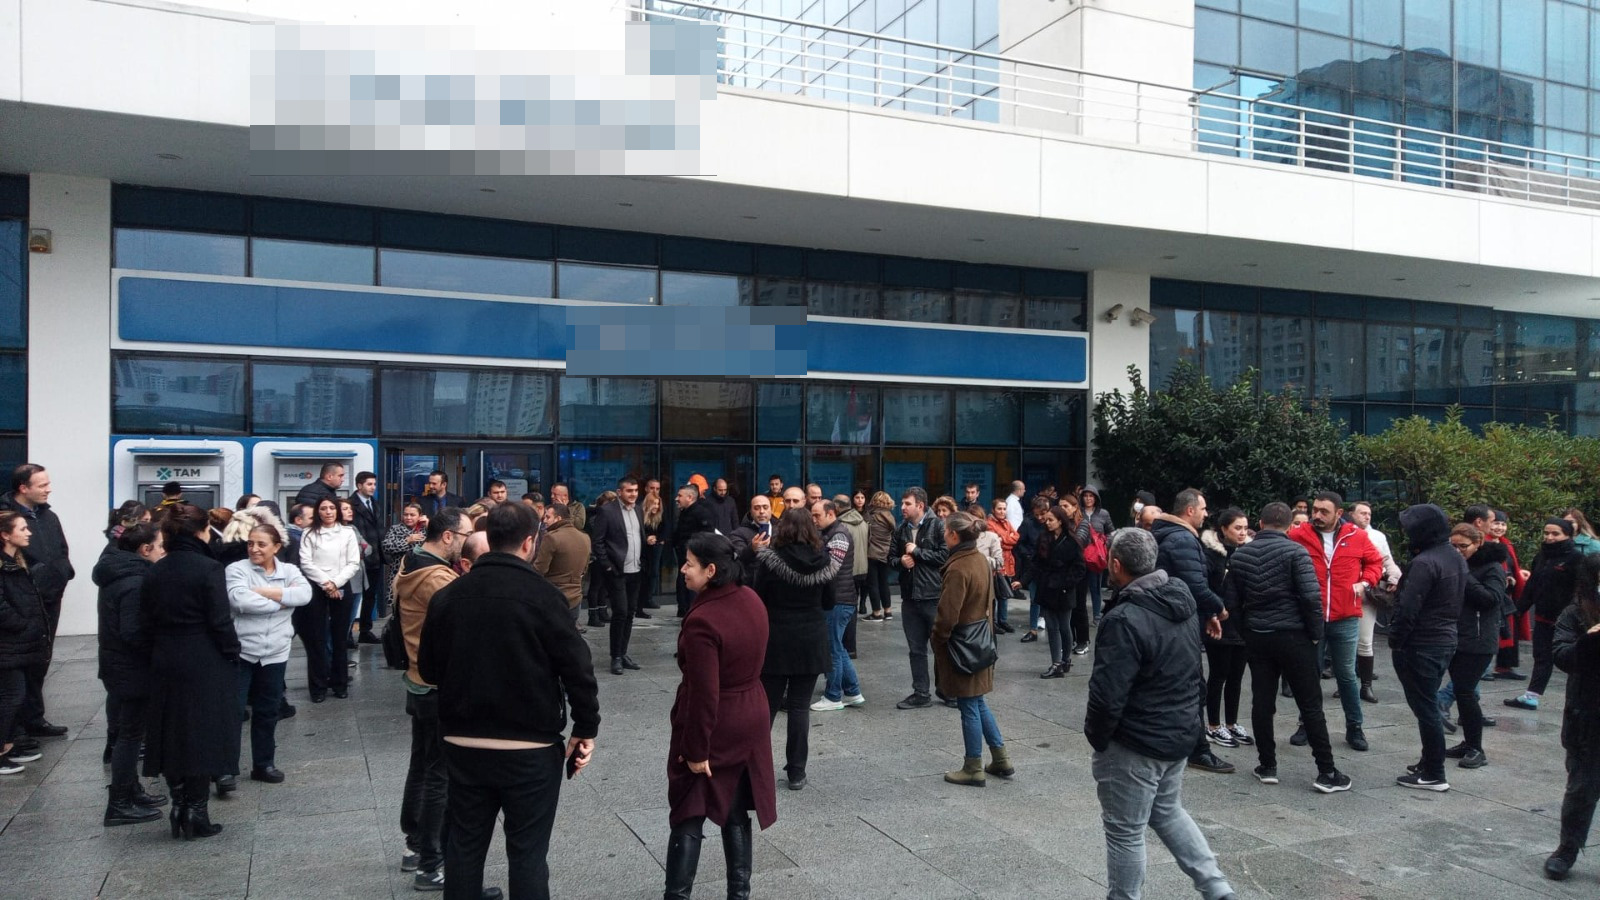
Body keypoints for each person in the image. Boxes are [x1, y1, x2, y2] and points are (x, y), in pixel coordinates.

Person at [417, 502, 600, 900]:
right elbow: (578, 669)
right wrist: (585, 728)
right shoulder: (545, 597)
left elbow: (428, 669)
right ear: (529, 543)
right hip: (529, 747)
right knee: (528, 853)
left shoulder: (448, 596)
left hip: (463, 743)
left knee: (464, 848)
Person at [1085, 528, 1237, 900]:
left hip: (1137, 740)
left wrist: (1099, 738)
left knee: (1125, 831)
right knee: (1167, 810)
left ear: (1115, 565)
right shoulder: (1180, 596)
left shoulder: (1125, 617)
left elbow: (1108, 693)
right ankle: (1217, 888)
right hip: (1178, 729)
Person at [664, 533, 778, 900]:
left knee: (689, 809)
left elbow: (704, 694)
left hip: (719, 721)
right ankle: (739, 894)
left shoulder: (704, 620)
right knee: (734, 806)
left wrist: (696, 750)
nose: (683, 570)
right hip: (752, 711)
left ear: (711, 570)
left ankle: (677, 895)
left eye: (689, 564)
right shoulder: (751, 599)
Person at [1225, 502, 1350, 793]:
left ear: (1260, 523)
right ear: (1289, 526)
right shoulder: (1296, 552)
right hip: (1294, 636)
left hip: (1258, 635)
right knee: (1310, 704)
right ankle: (1326, 771)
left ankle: (1267, 765)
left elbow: (1232, 601)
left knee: (1262, 701)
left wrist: (1246, 631)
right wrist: (1315, 634)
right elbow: (1310, 597)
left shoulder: (1241, 556)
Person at [140, 503, 240, 840]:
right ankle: (196, 810)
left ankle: (179, 805)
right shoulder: (209, 568)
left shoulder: (156, 570)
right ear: (201, 531)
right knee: (201, 732)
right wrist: (232, 651)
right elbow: (220, 620)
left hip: (165, 657)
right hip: (203, 657)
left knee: (171, 731)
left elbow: (145, 620)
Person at [394, 507, 471, 890]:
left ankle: (414, 844)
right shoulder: (438, 578)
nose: (467, 543)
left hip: (417, 679)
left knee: (421, 767)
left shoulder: (411, 563)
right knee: (439, 775)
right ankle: (431, 863)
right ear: (448, 536)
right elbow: (467, 623)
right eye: (465, 535)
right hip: (437, 686)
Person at [1287, 491, 1383, 752]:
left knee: (1346, 675)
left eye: (1324, 511)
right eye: (1315, 510)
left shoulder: (1357, 536)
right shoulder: (1299, 535)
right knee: (1310, 674)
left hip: (1346, 616)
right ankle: (1307, 724)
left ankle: (1355, 727)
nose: (1317, 515)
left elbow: (1376, 563)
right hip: (1312, 616)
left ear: (1339, 513)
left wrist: (1365, 582)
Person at [751, 508, 837, 790]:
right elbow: (829, 602)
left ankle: (755, 766)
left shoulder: (770, 560)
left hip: (776, 639)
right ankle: (797, 771)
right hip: (810, 639)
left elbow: (758, 598)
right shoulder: (824, 560)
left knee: (767, 706)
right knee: (800, 707)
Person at [1150, 489, 1232, 775]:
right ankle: (1198, 750)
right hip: (1179, 623)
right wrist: (1218, 608)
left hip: (1173, 620)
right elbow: (1195, 586)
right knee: (1194, 688)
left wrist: (1207, 614)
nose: (1206, 514)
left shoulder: (1167, 533)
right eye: (1203, 508)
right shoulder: (1183, 539)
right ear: (1189, 510)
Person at [92, 522, 168, 820]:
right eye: (160, 546)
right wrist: (158, 652)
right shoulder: (136, 581)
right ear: (145, 549)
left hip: (118, 664)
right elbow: (133, 631)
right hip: (131, 668)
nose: (163, 551)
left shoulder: (119, 571)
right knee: (131, 735)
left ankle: (131, 789)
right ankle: (120, 801)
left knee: (130, 732)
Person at [1388, 504, 1467, 792]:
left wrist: (1396, 640)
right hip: (1443, 639)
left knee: (1426, 708)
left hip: (1422, 643)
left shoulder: (1424, 563)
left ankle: (1434, 772)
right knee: (1428, 703)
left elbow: (1408, 608)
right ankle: (1429, 763)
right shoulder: (1453, 556)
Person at [225, 521, 311, 785]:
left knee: (268, 710)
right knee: (233, 711)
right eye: (250, 543)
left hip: (276, 652)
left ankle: (264, 764)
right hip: (242, 651)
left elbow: (305, 595)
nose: (254, 549)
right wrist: (282, 601)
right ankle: (225, 769)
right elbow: (239, 600)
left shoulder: (289, 570)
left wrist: (264, 592)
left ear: (276, 547)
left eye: (261, 544)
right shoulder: (236, 569)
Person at [933, 511, 1012, 787]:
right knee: (977, 701)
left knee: (968, 704)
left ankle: (973, 766)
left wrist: (938, 638)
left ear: (954, 535)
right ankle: (1000, 758)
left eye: (946, 530)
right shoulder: (978, 559)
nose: (944, 535)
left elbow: (947, 616)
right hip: (980, 640)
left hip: (963, 645)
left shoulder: (959, 567)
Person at [2, 463, 74, 741]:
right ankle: (15, 731)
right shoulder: (6, 517)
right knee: (17, 666)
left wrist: (64, 572)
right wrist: (39, 578)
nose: (48, 489)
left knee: (40, 660)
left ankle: (34, 718)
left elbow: (61, 549)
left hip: (49, 599)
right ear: (23, 488)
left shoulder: (48, 516)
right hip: (21, 601)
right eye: (42, 485)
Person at [1544, 553, 1600, 881]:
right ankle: (1567, 849)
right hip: (1588, 714)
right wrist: (1590, 639)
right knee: (1582, 786)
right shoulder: (1576, 613)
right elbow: (1562, 656)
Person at [1506, 517, 1585, 711]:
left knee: (1574, 659)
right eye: (1547, 533)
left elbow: (1581, 590)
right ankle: (1531, 696)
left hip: (1567, 621)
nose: (1549, 537)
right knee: (1542, 657)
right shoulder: (1542, 556)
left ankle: (1581, 699)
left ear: (1568, 535)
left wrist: (1573, 616)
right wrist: (1519, 610)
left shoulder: (1576, 558)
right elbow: (1532, 586)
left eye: (1555, 534)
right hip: (1543, 617)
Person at [1443, 524, 1505, 769]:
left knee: (1466, 692)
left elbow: (1491, 599)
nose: (1458, 550)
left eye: (1463, 546)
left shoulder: (1492, 567)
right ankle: (1469, 743)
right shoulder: (1454, 564)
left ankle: (1476, 748)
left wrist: (1464, 575)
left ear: (1477, 544)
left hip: (1479, 640)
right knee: (1461, 692)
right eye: (1453, 546)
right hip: (1456, 635)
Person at [0, 511, 52, 776]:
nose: (28, 532)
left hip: (19, 643)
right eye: (22, 528)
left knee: (17, 696)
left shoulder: (17, 562)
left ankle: (10, 745)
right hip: (8, 644)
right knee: (12, 696)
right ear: (5, 535)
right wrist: (23, 625)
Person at [297, 496, 361, 702]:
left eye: (332, 508)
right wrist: (326, 583)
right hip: (317, 587)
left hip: (342, 584)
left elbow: (353, 562)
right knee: (316, 638)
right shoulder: (309, 533)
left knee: (340, 638)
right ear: (318, 511)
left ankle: (340, 683)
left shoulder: (348, 532)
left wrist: (336, 582)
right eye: (323, 508)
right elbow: (306, 563)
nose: (328, 512)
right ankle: (318, 687)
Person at [893, 487, 949, 710]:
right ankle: (921, 693)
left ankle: (947, 690)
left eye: (907, 504)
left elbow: (945, 556)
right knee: (916, 649)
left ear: (920, 505)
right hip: (910, 598)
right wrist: (900, 561)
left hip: (933, 596)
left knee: (941, 647)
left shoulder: (938, 526)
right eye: (902, 503)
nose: (902, 507)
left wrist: (917, 552)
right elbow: (889, 557)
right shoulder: (901, 529)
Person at [1201, 508, 1251, 750]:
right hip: (1219, 621)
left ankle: (1231, 723)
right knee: (1218, 674)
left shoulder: (1248, 552)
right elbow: (1204, 587)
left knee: (1236, 676)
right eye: (1237, 528)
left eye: (1245, 528)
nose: (1242, 533)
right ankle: (1213, 725)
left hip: (1243, 623)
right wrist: (1213, 612)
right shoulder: (1210, 554)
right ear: (1223, 529)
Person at [810, 499, 863, 712]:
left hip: (839, 600)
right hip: (840, 599)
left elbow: (830, 569)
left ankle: (833, 696)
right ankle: (853, 691)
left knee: (832, 648)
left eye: (817, 515)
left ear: (831, 514)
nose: (814, 520)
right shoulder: (831, 533)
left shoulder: (838, 535)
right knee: (838, 647)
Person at [1349, 500, 1402, 703]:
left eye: (1369, 513)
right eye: (1362, 512)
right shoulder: (1341, 534)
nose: (1367, 516)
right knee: (1345, 643)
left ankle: (1366, 686)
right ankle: (1346, 684)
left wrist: (1395, 578)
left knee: (1365, 641)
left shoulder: (1377, 536)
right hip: (1344, 594)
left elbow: (1387, 561)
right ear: (1351, 514)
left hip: (1368, 594)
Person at [591, 477, 646, 674]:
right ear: (620, 492)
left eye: (636, 490)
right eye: (629, 491)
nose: (633, 494)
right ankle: (615, 656)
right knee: (620, 612)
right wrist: (607, 565)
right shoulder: (607, 511)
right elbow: (597, 541)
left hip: (636, 570)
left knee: (630, 612)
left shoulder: (638, 510)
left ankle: (623, 653)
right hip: (616, 571)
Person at [1033, 505, 1086, 679]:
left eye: (1051, 520)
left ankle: (1065, 659)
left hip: (1064, 589)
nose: (1047, 522)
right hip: (1047, 587)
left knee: (1064, 626)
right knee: (1052, 627)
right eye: (1046, 520)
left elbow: (1079, 567)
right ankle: (1056, 663)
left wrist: (1066, 584)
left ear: (1060, 521)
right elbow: (1036, 562)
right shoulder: (1044, 538)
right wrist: (1025, 580)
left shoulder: (1072, 541)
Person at [533, 502, 591, 625]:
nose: (544, 521)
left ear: (558, 518)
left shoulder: (551, 537)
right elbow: (584, 569)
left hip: (553, 597)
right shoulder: (585, 538)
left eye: (548, 517)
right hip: (576, 597)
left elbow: (539, 570)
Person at [350, 471, 386, 643]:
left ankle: (365, 630)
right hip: (358, 558)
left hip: (375, 557)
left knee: (370, 595)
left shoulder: (375, 504)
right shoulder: (351, 505)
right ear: (359, 485)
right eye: (369, 484)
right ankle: (348, 633)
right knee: (354, 596)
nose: (373, 487)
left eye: (374, 484)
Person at [671, 484, 717, 618]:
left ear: (690, 497)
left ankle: (692, 609)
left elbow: (707, 535)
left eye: (680, 496)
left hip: (695, 557)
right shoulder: (684, 512)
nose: (677, 499)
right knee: (682, 580)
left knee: (691, 582)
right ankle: (683, 608)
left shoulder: (701, 513)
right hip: (683, 555)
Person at [987, 497, 1020, 634]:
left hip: (1008, 563)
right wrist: (1007, 538)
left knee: (1005, 593)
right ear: (993, 510)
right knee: (995, 594)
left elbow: (1016, 537)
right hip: (997, 563)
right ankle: (993, 622)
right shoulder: (989, 524)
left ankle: (1003, 620)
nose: (1002, 511)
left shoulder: (1007, 522)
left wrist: (1003, 538)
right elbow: (995, 542)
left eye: (1004, 509)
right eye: (999, 509)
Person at [1081, 485, 1114, 621]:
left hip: (1096, 556)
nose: (1088, 499)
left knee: (1095, 587)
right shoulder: (1078, 512)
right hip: (1081, 555)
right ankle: (1081, 615)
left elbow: (1111, 532)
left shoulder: (1103, 513)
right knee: (1080, 587)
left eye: (1091, 496)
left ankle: (1096, 615)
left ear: (1096, 498)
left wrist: (1105, 544)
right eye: (1085, 496)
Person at [864, 491, 896, 621]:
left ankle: (876, 613)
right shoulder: (890, 517)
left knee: (873, 584)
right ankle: (888, 611)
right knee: (884, 583)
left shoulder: (871, 516)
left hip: (872, 554)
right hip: (885, 553)